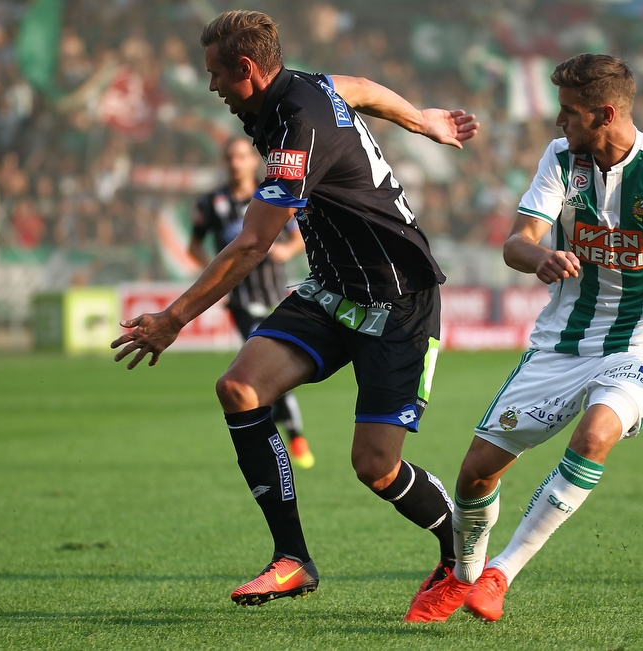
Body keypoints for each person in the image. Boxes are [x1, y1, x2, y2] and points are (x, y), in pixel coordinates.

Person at [111, 10, 477, 610]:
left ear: (248, 70)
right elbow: (356, 87)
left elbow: (254, 243)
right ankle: (292, 560)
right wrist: (421, 120)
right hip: (333, 291)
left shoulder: (297, 127)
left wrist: (173, 319)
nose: (212, 88)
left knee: (376, 468)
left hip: (398, 300)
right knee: (239, 388)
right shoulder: (301, 88)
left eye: (216, 76)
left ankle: (460, 548)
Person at [403, 53, 643, 623]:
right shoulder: (560, 159)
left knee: (595, 435)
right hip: (562, 341)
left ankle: (502, 572)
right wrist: (540, 256)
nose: (559, 123)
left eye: (569, 113)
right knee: (476, 472)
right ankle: (463, 575)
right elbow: (516, 241)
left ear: (604, 114)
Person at [188, 136, 314, 468]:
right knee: (265, 365)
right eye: (230, 157)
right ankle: (296, 434)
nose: (235, 163)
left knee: (269, 368)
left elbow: (299, 232)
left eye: (241, 156)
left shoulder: (272, 193)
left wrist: (287, 250)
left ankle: (285, 432)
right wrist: (218, 273)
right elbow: (194, 247)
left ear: (253, 161)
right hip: (242, 302)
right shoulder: (211, 202)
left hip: (276, 297)